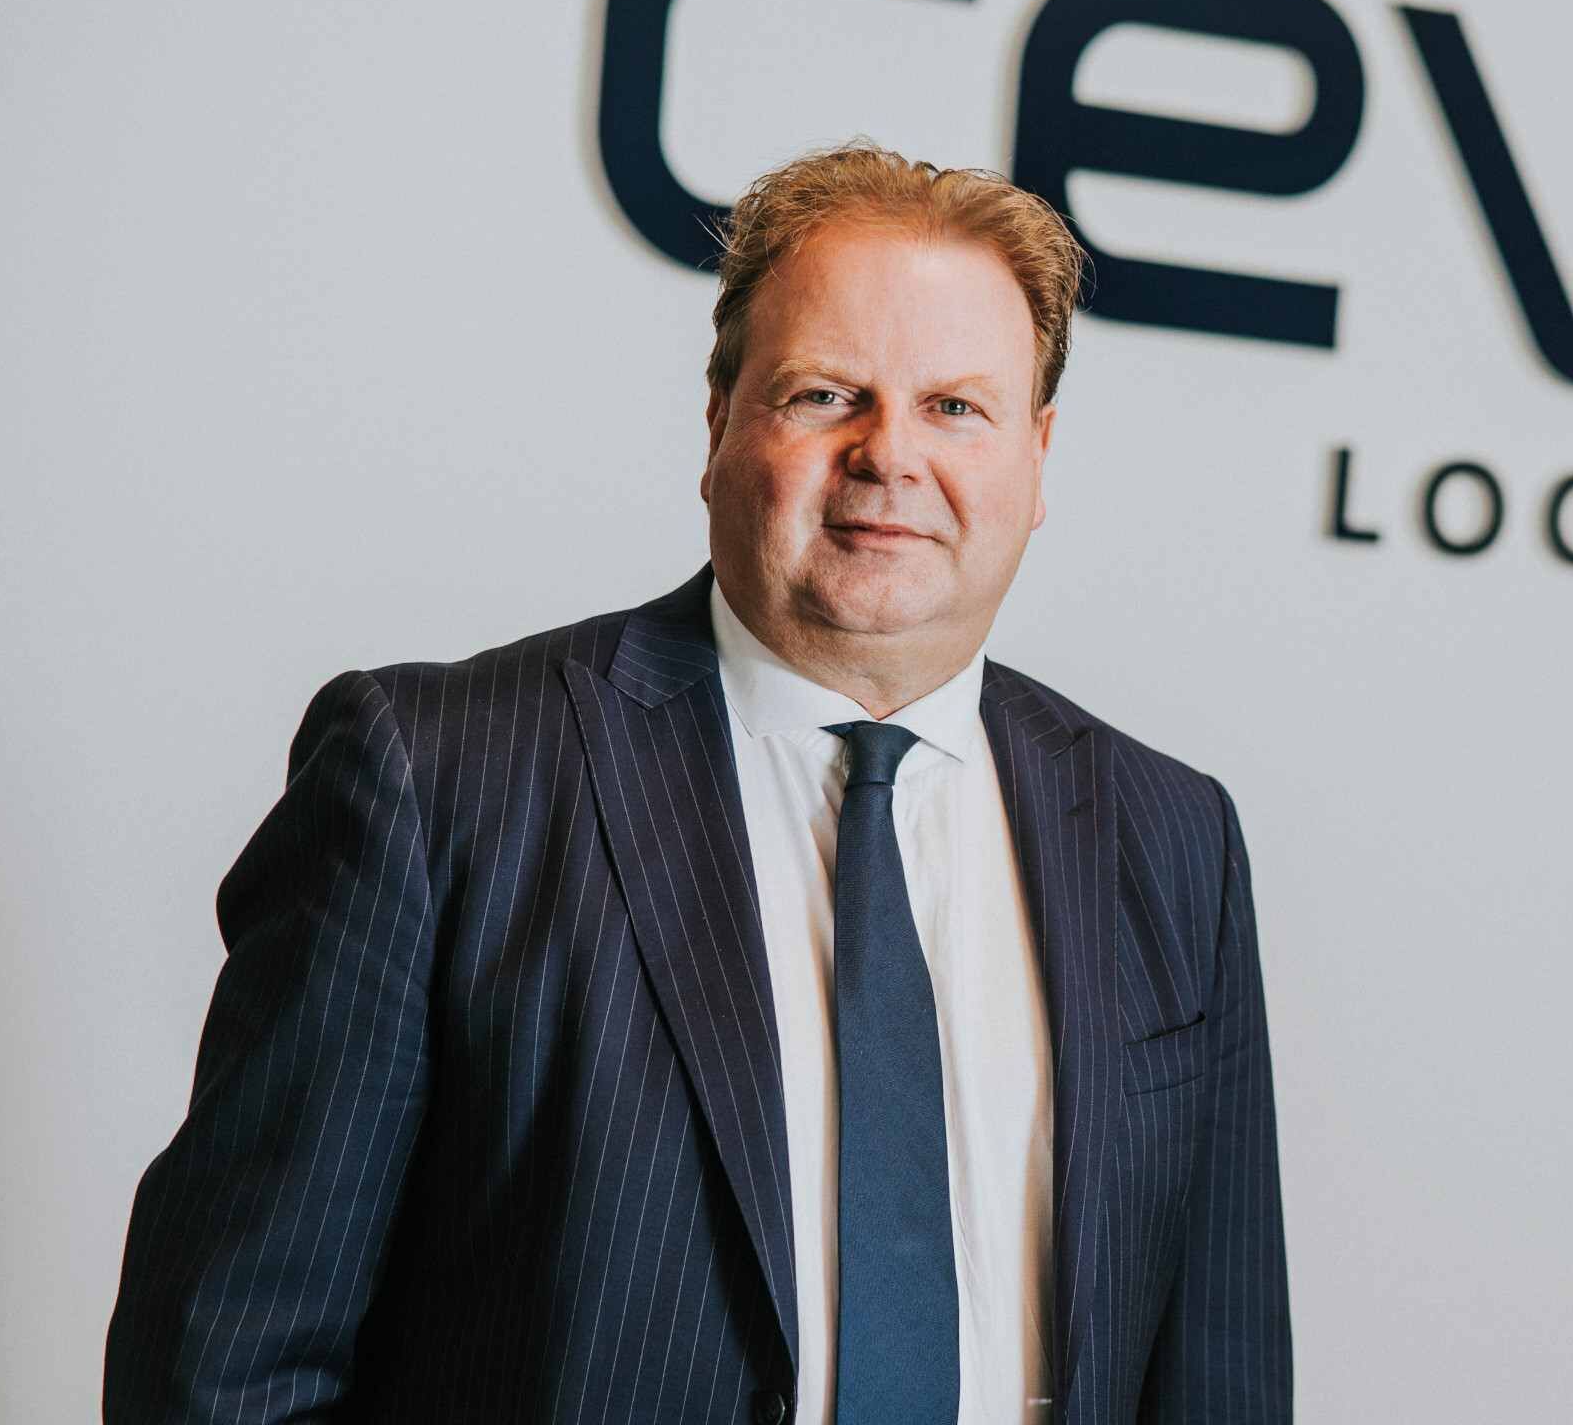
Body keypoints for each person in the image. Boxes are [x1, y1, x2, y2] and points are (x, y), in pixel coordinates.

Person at [104, 141, 1291, 1424]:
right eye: (827, 394)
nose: (889, 455)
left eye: (957, 407)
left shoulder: (1171, 838)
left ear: (1039, 456)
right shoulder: (436, 778)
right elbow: (224, 1364)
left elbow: (1219, 1383)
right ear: (720, 422)